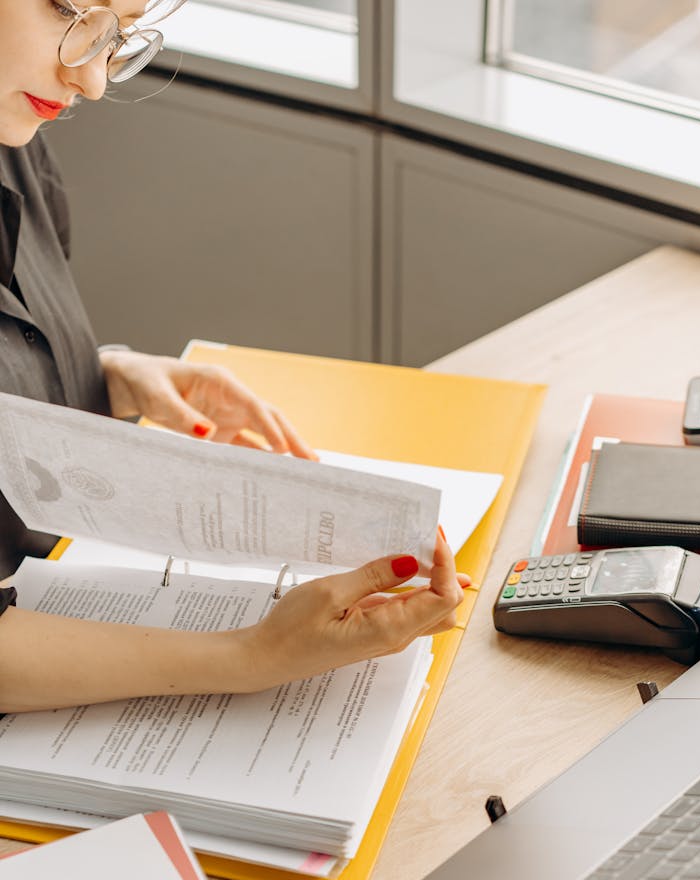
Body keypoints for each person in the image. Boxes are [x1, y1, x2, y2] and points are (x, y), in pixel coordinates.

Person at [0, 0, 465, 714]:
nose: (92, 79)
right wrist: (252, 655)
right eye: (71, 9)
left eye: (118, 34)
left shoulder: (14, 137)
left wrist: (112, 377)